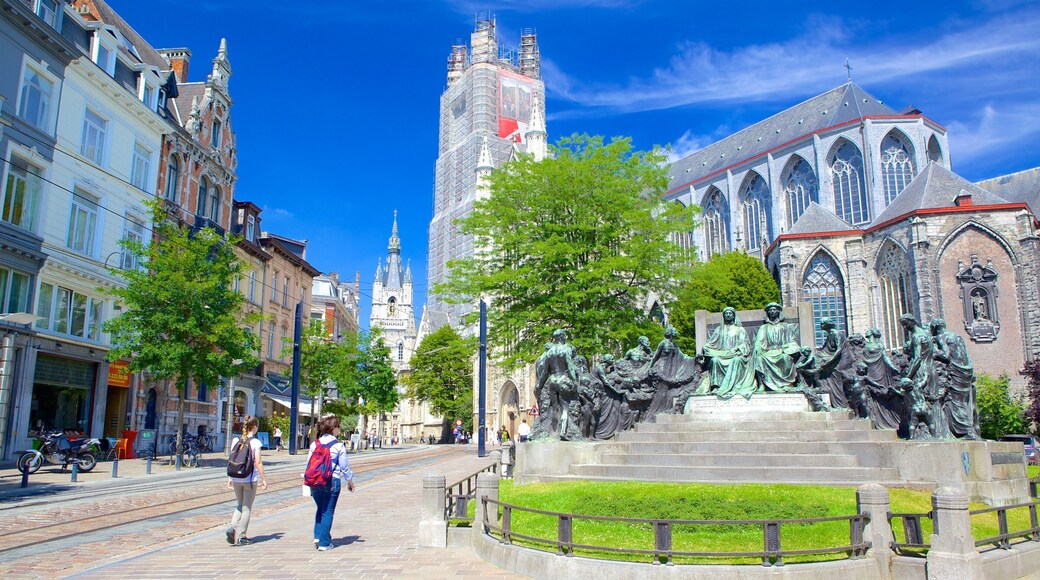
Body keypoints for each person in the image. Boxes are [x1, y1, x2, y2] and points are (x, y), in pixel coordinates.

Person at [309, 415, 355, 551]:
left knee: (320, 509)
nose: (339, 429)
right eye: (338, 427)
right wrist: (350, 481)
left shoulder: (314, 444)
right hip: (332, 480)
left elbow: (308, 464)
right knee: (327, 511)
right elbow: (344, 466)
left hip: (315, 481)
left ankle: (317, 537)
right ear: (333, 428)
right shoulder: (338, 445)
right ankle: (324, 543)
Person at [226, 416, 267, 546]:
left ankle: (232, 527)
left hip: (236, 478)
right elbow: (258, 462)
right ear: (254, 427)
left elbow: (233, 460)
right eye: (257, 426)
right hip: (249, 478)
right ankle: (242, 536)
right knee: (247, 507)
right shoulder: (255, 442)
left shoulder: (236, 440)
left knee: (239, 505)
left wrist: (230, 478)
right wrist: (263, 479)